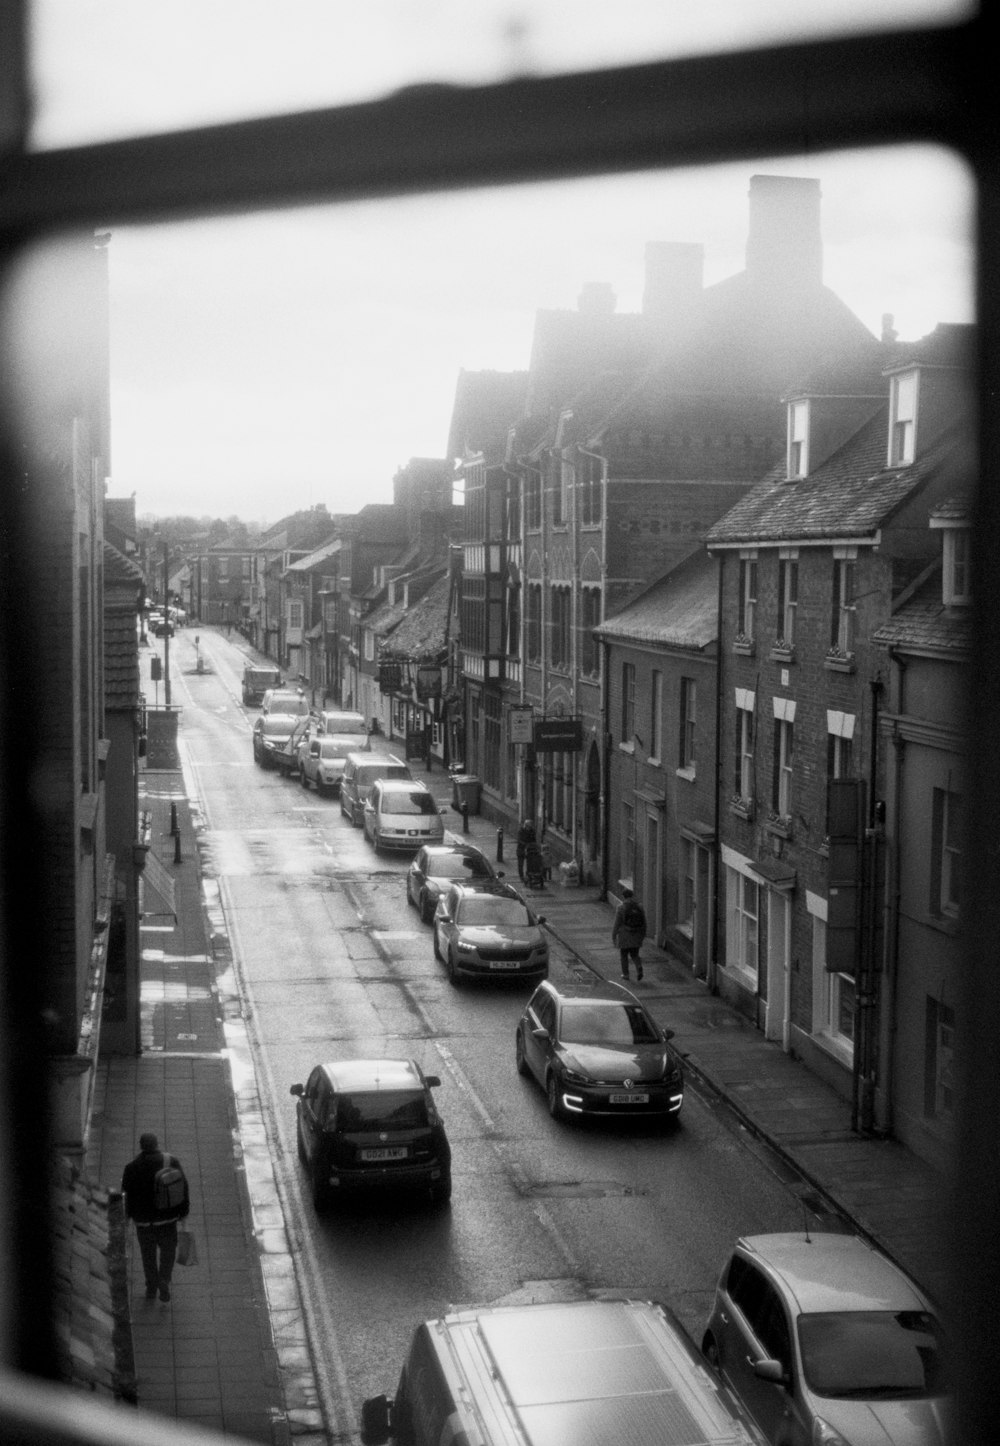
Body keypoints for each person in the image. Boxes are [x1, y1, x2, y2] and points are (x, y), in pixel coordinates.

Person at [121, 1132, 190, 1303]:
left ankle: (151, 1287)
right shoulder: (170, 1161)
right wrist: (183, 1212)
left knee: (148, 1255)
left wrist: (128, 1216)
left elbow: (126, 1195)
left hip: (143, 1222)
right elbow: (183, 1187)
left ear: (141, 1146)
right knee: (168, 1252)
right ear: (157, 1144)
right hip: (167, 1218)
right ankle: (164, 1280)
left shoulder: (131, 1167)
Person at [612, 888, 647, 982]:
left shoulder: (621, 907)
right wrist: (643, 935)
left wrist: (614, 936)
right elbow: (644, 922)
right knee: (635, 954)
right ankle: (639, 967)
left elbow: (617, 924)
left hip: (624, 935)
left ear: (623, 896)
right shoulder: (639, 907)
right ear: (632, 896)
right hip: (636, 934)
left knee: (623, 955)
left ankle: (626, 974)